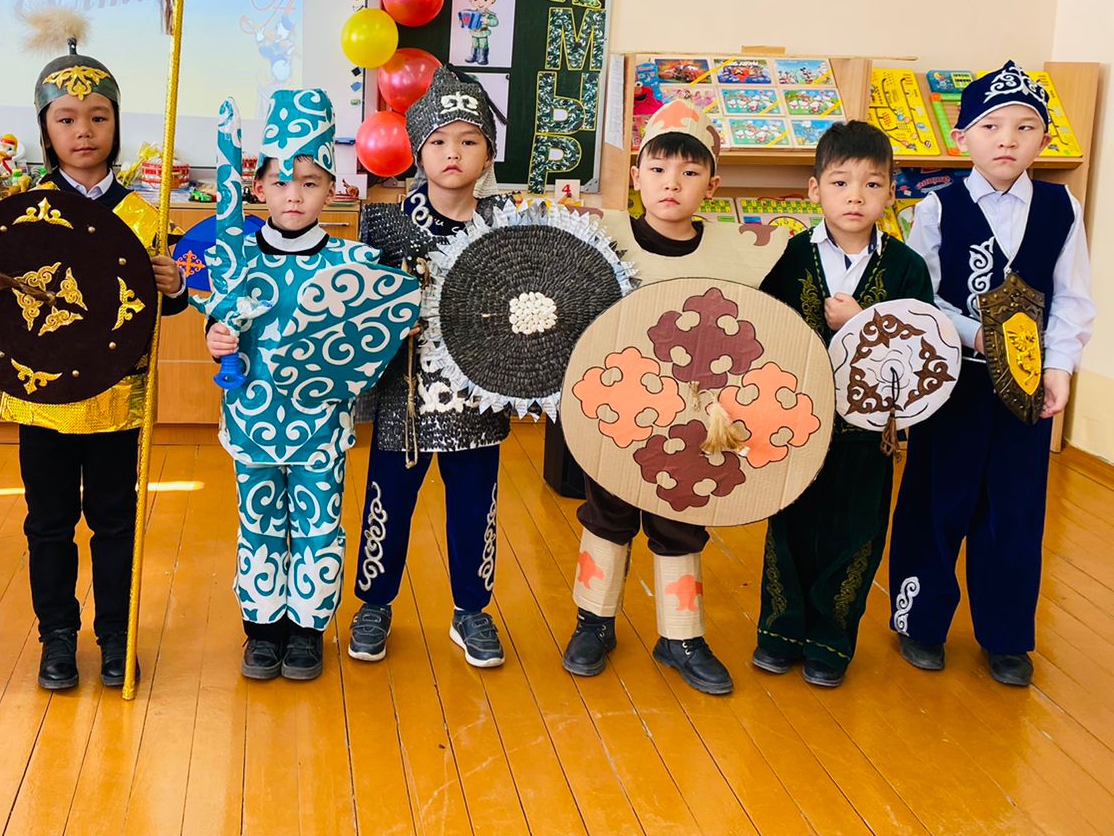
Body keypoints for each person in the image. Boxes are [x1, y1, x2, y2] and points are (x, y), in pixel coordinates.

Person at [0, 6, 188, 692]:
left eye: (98, 117)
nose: (83, 130)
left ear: (117, 125)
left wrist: (173, 287)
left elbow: (159, 310)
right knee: (48, 523)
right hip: (43, 399)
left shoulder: (144, 215)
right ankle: (58, 636)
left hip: (116, 398)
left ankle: (117, 634)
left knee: (115, 522)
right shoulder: (21, 210)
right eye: (67, 118)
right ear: (45, 128)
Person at [564, 100, 785, 694]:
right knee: (607, 513)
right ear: (637, 176)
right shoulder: (602, 238)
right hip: (618, 410)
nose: (672, 184)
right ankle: (594, 622)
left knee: (681, 518)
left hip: (694, 420)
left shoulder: (738, 252)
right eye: (659, 170)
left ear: (711, 184)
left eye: (689, 172)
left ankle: (681, 635)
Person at [889, 61, 1094, 686]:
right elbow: (920, 296)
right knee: (936, 498)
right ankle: (920, 622)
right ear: (963, 137)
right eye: (991, 126)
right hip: (954, 380)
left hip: (1026, 388)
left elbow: (1073, 296)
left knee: (1015, 506)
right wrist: (975, 333)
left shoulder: (1061, 208)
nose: (1007, 139)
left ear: (1044, 139)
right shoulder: (938, 208)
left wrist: (1058, 366)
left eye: (1024, 127)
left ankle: (1005, 636)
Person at [205, 89, 414, 682]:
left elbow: (378, 329)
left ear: (330, 189)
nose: (293, 195)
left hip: (322, 423)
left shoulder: (354, 263)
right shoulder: (236, 256)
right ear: (258, 187)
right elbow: (219, 322)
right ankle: (262, 629)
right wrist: (216, 337)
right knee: (259, 523)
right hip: (251, 416)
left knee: (319, 525)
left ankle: (307, 630)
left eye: (309, 182)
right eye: (280, 182)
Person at [754, 120, 933, 686]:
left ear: (891, 191)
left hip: (869, 431)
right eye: (840, 182)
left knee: (856, 533)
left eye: (872, 184)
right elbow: (762, 331)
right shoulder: (786, 257)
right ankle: (779, 632)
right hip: (793, 422)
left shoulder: (906, 267)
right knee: (789, 526)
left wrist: (865, 323)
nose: (855, 196)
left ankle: (831, 642)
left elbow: (923, 349)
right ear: (814, 190)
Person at [347, 68, 509, 668]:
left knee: (474, 507)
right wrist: (387, 322)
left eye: (469, 140)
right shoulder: (383, 224)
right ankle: (374, 603)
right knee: (387, 504)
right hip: (405, 396)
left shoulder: (507, 224)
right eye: (439, 141)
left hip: (479, 396)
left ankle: (472, 610)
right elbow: (358, 305)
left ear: (488, 153)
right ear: (418, 151)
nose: (453, 153)